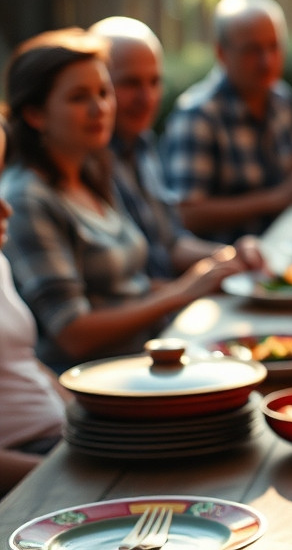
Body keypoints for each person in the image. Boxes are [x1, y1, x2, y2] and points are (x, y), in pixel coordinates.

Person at [1, 30, 247, 371]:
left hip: (151, 357)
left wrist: (221, 269)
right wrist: (182, 291)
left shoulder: (93, 169)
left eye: (104, 93)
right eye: (78, 97)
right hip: (100, 385)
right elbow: (73, 332)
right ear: (35, 114)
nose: (99, 108)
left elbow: (129, 287)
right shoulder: (27, 199)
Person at [90, 17, 264, 281]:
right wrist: (187, 291)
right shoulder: (84, 162)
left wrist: (232, 256)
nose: (146, 98)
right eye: (130, 83)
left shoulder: (141, 145)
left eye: (154, 82)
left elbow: (170, 244)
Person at [161, 0, 292, 244]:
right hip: (229, 263)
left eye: (274, 47)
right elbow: (186, 213)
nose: (266, 61)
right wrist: (276, 199)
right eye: (252, 50)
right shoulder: (197, 116)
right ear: (221, 52)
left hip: (288, 245)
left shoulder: (281, 98)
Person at [0, 121, 67, 495]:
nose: (5, 208)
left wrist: (92, 419)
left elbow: (23, 360)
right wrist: (57, 473)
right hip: (27, 464)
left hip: (57, 441)